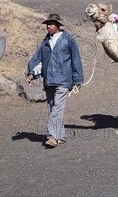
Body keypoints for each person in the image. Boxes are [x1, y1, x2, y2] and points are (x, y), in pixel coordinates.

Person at [26, 13, 83, 148]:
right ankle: (61, 136)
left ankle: (51, 137)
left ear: (58, 25)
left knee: (57, 108)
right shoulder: (45, 42)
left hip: (64, 80)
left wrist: (77, 79)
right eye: (47, 24)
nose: (48, 26)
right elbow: (39, 60)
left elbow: (76, 60)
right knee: (53, 108)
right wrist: (32, 74)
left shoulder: (69, 40)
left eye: (51, 24)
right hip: (49, 80)